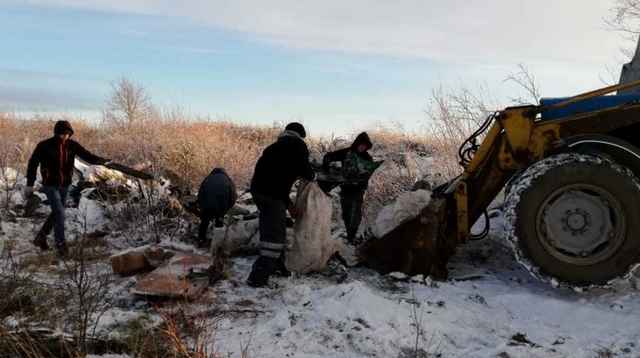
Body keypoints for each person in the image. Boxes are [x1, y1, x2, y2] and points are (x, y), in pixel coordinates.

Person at [25, 120, 109, 257]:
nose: (65, 136)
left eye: (67, 134)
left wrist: (103, 162)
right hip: (50, 184)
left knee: (57, 213)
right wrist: (30, 184)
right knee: (60, 214)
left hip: (65, 184)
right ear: (56, 133)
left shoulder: (72, 146)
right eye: (62, 134)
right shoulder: (44, 146)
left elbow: (87, 155)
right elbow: (32, 164)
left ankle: (40, 238)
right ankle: (61, 248)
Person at [247, 122, 316, 287]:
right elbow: (305, 170)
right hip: (272, 195)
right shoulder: (297, 145)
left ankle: (277, 266)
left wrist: (288, 203)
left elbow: (277, 179)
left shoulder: (275, 147)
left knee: (274, 228)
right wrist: (314, 176)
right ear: (299, 135)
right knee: (275, 236)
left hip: (261, 192)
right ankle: (258, 276)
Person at [323, 132, 373, 243]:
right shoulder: (346, 152)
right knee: (346, 213)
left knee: (356, 212)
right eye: (362, 144)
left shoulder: (367, 158)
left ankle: (352, 235)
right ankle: (349, 234)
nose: (363, 147)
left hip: (360, 188)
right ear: (357, 143)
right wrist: (326, 166)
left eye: (365, 146)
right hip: (346, 188)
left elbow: (367, 174)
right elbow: (329, 156)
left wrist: (360, 181)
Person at [197, 167, 238, 245]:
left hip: (206, 206)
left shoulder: (207, 179)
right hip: (220, 206)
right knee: (219, 223)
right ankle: (217, 243)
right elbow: (233, 196)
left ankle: (201, 240)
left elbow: (200, 194)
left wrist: (202, 206)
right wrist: (226, 209)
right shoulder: (227, 179)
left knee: (204, 221)